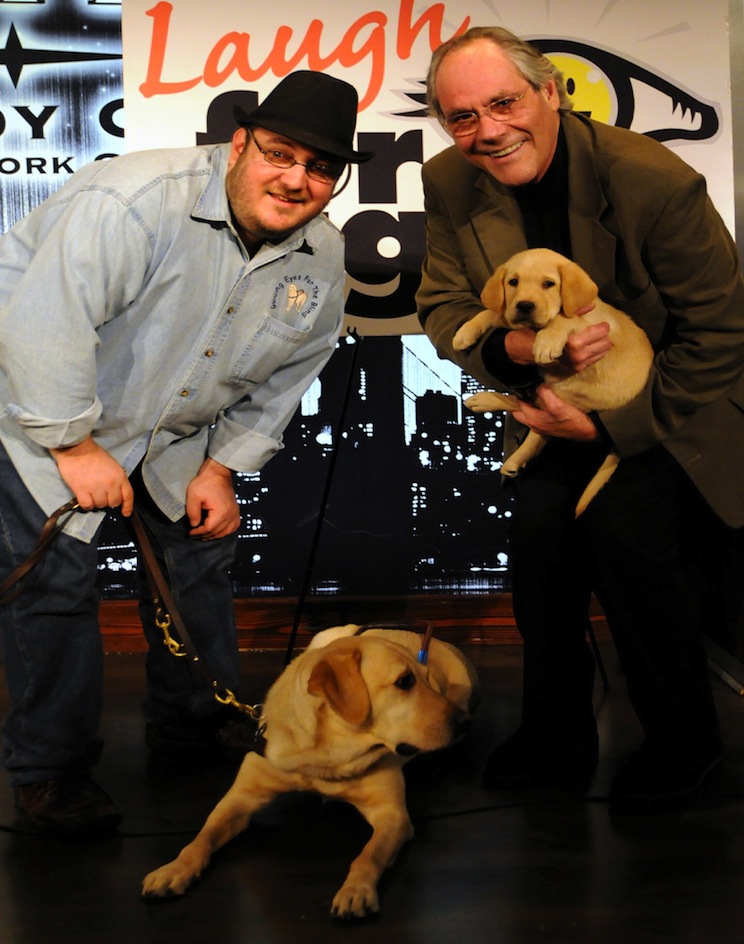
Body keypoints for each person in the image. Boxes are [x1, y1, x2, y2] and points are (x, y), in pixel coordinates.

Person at [0, 70, 372, 835]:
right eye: (279, 153)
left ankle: (194, 722)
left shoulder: (322, 256)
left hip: (173, 430)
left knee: (201, 558)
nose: (296, 179)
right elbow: (41, 324)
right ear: (238, 143)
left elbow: (289, 373)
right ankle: (51, 771)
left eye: (320, 168)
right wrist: (74, 445)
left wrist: (220, 468)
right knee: (58, 586)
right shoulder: (133, 200)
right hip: (43, 407)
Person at [416, 26, 744, 811]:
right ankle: (557, 733)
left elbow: (722, 330)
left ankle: (682, 742)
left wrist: (615, 430)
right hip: (550, 404)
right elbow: (442, 305)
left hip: (668, 411)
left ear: (550, 93)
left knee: (632, 550)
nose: (487, 130)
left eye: (503, 103)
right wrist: (520, 348)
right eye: (462, 117)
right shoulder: (451, 181)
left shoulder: (651, 180)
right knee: (539, 558)